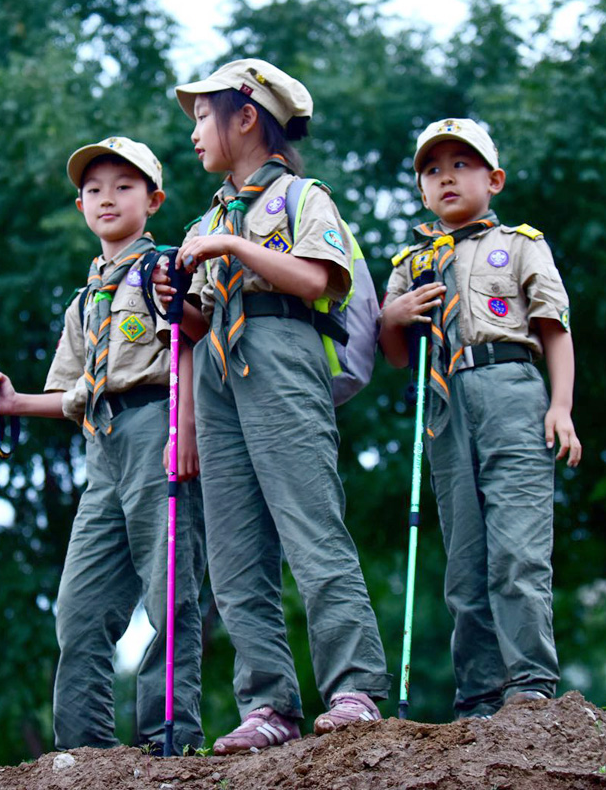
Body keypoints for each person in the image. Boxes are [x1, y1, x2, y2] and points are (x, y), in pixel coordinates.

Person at [160, 58, 391, 755]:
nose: (195, 131)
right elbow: (201, 326)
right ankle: (269, 706)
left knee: (310, 528)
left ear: (247, 116)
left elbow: (320, 279)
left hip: (284, 353)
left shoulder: (297, 197)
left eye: (204, 115)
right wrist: (178, 306)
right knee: (234, 552)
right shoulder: (209, 214)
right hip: (221, 373)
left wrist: (233, 243)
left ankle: (354, 688)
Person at [0, 137, 206, 754]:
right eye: (94, 189)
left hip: (158, 427)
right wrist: (13, 402)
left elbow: (195, 352)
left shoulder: (165, 268)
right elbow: (75, 390)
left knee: (170, 592)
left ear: (153, 201)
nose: (107, 198)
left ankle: (169, 738)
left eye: (124, 187)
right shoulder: (84, 301)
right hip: (101, 444)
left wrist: (185, 431)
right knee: (78, 608)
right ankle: (82, 751)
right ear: (79, 206)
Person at [379, 118, 582, 718]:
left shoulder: (521, 244)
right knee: (465, 558)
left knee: (517, 548)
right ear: (420, 190)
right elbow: (397, 358)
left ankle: (529, 683)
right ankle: (479, 692)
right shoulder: (412, 263)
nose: (446, 178)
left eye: (461, 166)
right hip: (444, 404)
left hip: (511, 387)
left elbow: (553, 328)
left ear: (492, 179)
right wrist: (393, 317)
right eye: (433, 170)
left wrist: (561, 407)